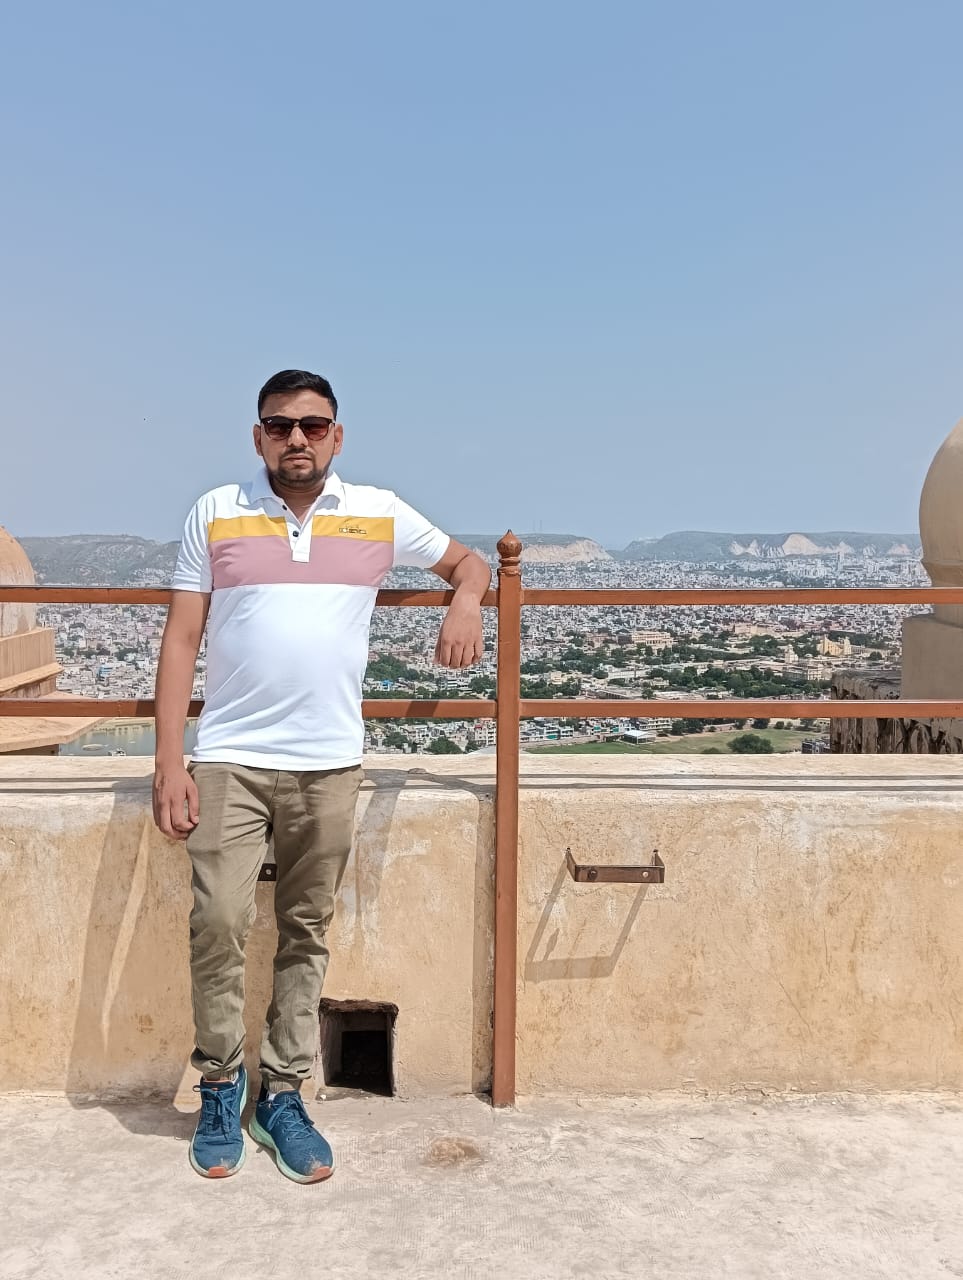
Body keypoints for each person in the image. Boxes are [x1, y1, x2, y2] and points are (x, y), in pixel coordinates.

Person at [152, 369, 490, 1183]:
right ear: (258, 436)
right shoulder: (216, 510)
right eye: (279, 425)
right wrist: (168, 758)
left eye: (311, 425)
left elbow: (469, 563)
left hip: (328, 759)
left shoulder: (376, 510)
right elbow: (181, 637)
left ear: (336, 435)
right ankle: (219, 1087)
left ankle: (284, 1093)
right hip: (229, 754)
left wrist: (465, 602)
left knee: (305, 929)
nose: (295, 439)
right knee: (218, 923)